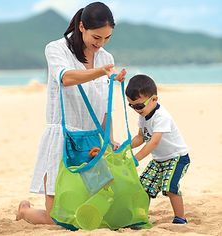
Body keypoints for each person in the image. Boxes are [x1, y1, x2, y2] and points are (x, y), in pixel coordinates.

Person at [16, 2, 126, 225]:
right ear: (82, 26)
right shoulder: (56, 49)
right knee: (57, 217)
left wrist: (110, 138)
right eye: (97, 38)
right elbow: (65, 78)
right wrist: (99, 73)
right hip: (63, 138)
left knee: (93, 212)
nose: (101, 44)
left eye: (106, 38)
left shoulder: (106, 58)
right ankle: (25, 211)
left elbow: (106, 106)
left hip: (93, 142)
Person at [125, 74, 190, 224]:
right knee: (143, 187)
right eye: (132, 106)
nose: (136, 109)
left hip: (177, 158)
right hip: (159, 160)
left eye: (139, 105)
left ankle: (181, 218)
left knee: (170, 187)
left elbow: (153, 142)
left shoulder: (162, 117)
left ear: (154, 99)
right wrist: (125, 147)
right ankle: (141, 217)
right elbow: (140, 138)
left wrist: (136, 159)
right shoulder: (143, 115)